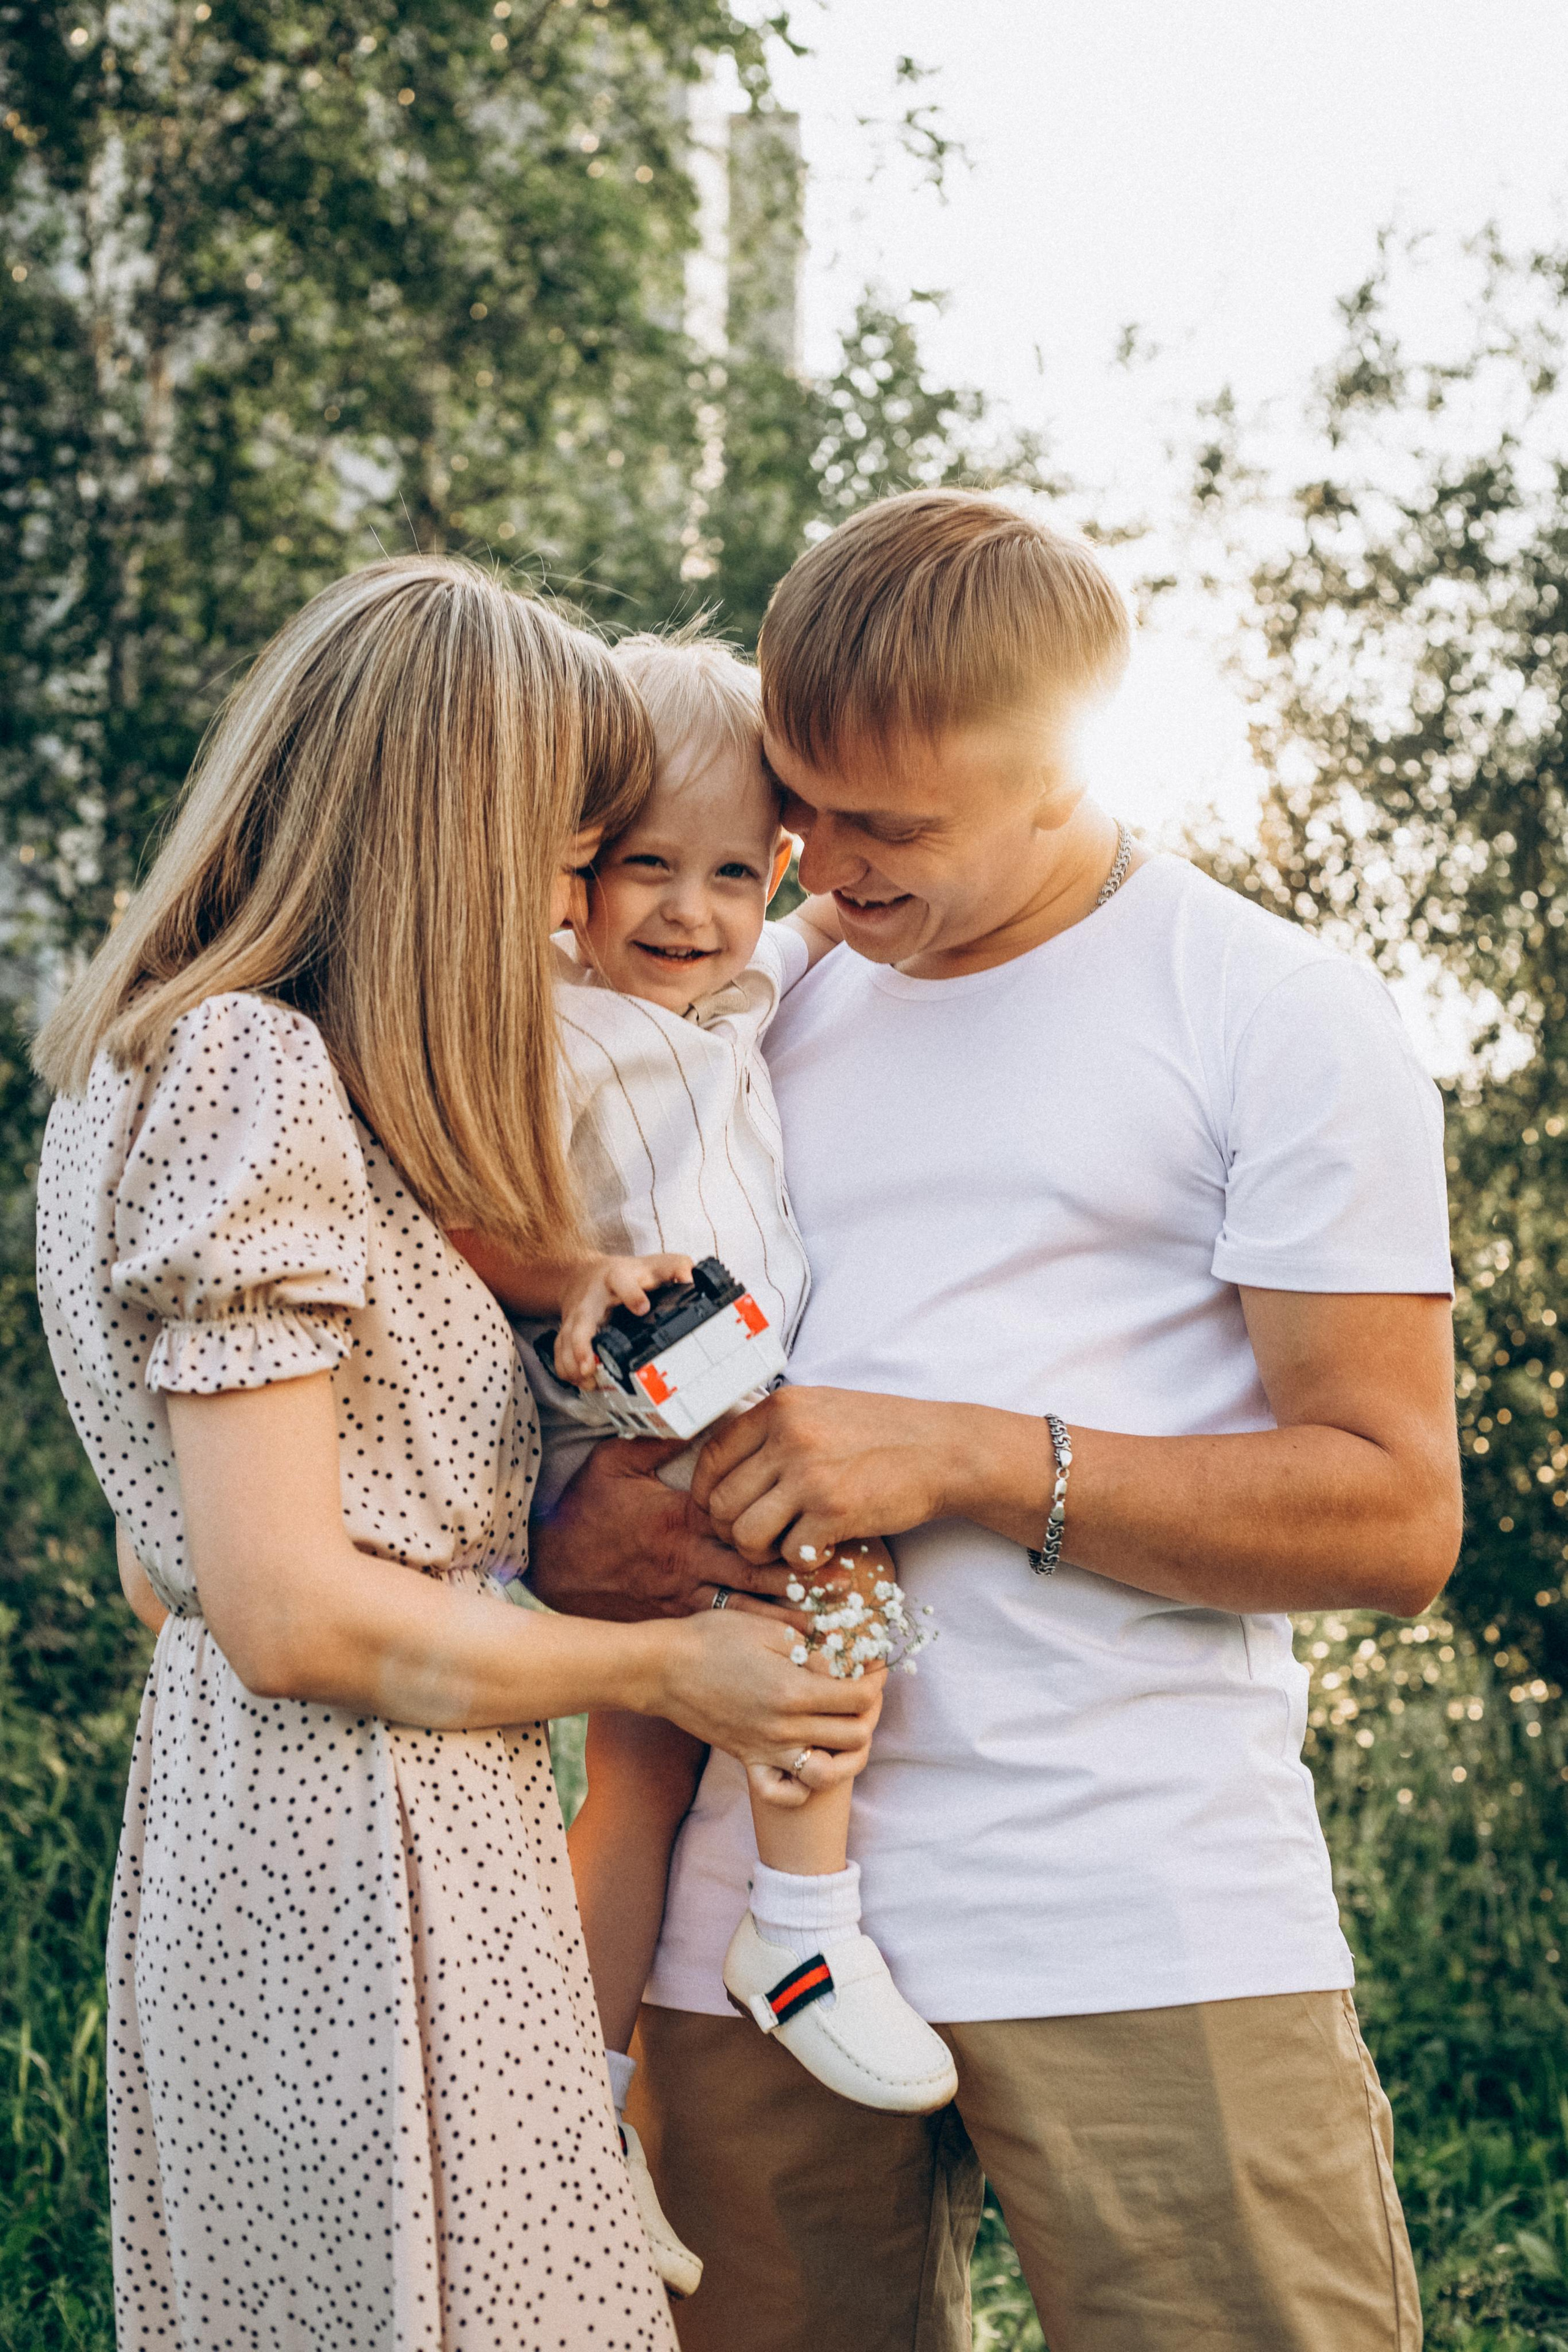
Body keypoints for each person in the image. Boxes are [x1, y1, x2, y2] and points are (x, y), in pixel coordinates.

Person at [529, 492, 1462, 2352]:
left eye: (891, 827)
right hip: (755, 1931)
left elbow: (1392, 1516)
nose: (822, 870)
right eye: (804, 805)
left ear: (1065, 772)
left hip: (1142, 1913)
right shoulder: (750, 1005)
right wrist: (591, 1546)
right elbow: (564, 1414)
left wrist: (971, 1455)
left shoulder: (1270, 1012)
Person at [31, 556, 881, 2352]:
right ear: (452, 823)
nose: (577, 901)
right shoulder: (255, 1072)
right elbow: (283, 1612)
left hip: (271, 1831)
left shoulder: (165, 1062)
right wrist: (674, 1667)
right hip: (370, 1857)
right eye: (569, 847)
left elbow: (157, 1559)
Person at [451, 635, 957, 2296]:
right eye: (640, 868)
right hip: (661, 1399)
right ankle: (805, 1932)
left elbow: (829, 929)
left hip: (716, 1385)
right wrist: (560, 1277)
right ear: (565, 877)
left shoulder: (745, 991)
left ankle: (585, 2113)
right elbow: (458, 1205)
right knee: (852, 1594)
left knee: (646, 1776)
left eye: (731, 871)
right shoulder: (547, 1021)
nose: (688, 910)